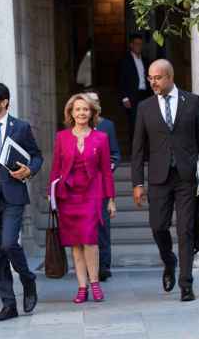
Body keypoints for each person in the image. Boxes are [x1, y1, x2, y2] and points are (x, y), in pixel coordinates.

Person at [131, 59, 199, 302]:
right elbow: (138, 148)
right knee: (158, 226)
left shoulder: (192, 101)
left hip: (186, 177)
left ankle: (186, 284)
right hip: (158, 177)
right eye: (149, 78)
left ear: (169, 77)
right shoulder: (145, 107)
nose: (152, 82)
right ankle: (169, 260)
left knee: (186, 229)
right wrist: (138, 182)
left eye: (156, 78)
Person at [0, 82, 43, 321]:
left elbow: (37, 156)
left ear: (4, 102)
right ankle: (9, 305)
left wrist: (29, 171)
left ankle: (28, 278)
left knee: (8, 244)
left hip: (14, 195)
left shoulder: (21, 127)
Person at [48, 93, 116, 304]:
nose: (81, 113)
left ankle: (94, 283)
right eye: (77, 109)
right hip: (68, 196)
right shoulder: (62, 137)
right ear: (71, 113)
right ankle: (81, 287)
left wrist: (111, 199)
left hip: (92, 194)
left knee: (90, 240)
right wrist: (52, 197)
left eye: (85, 109)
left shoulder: (101, 138)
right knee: (75, 243)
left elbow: (106, 171)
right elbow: (56, 169)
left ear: (92, 112)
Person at [84, 91, 120, 282]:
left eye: (96, 101)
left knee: (103, 226)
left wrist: (108, 166)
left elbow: (115, 153)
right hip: (82, 187)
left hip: (101, 185)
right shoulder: (77, 127)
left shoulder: (107, 126)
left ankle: (104, 266)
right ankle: (89, 266)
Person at [118, 33, 151, 144]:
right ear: (131, 45)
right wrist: (124, 98)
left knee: (147, 123)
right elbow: (121, 80)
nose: (139, 46)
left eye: (141, 44)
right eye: (136, 44)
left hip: (145, 95)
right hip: (132, 96)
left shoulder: (146, 60)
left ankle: (146, 152)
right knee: (135, 124)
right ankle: (135, 152)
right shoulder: (125, 61)